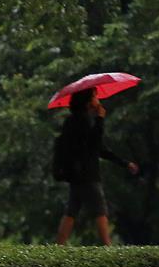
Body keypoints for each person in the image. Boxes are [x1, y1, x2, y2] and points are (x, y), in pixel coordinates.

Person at [56, 87, 138, 246]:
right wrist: (100, 119)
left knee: (71, 211)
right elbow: (95, 145)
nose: (98, 99)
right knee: (100, 210)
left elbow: (99, 149)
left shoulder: (71, 121)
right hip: (88, 174)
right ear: (87, 102)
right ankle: (107, 246)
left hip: (75, 175)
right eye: (94, 96)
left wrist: (124, 163)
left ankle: (59, 245)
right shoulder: (84, 121)